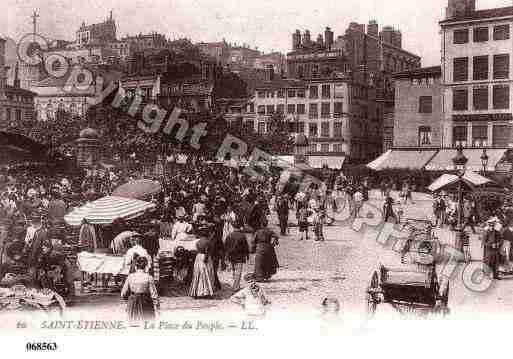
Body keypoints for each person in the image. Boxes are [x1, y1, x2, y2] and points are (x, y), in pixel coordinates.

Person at [121, 256, 160, 323]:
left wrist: (129, 301)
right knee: (147, 323)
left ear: (136, 266)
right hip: (146, 304)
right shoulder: (149, 277)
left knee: (133, 324)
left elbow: (123, 293)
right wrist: (157, 308)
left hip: (133, 303)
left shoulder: (130, 277)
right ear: (146, 267)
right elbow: (154, 295)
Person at [188, 227, 217, 299]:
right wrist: (206, 258)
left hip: (198, 257)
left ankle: (196, 292)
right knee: (207, 274)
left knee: (198, 274)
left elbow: (196, 250)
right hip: (205, 257)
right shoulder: (208, 242)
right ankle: (206, 292)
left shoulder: (198, 242)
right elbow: (208, 251)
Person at [224, 221, 250, 292]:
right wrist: (247, 255)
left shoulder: (229, 235)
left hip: (231, 255)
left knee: (233, 271)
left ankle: (234, 284)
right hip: (240, 256)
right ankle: (236, 286)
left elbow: (226, 246)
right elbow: (245, 247)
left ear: (233, 227)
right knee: (238, 271)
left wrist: (226, 256)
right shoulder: (242, 236)